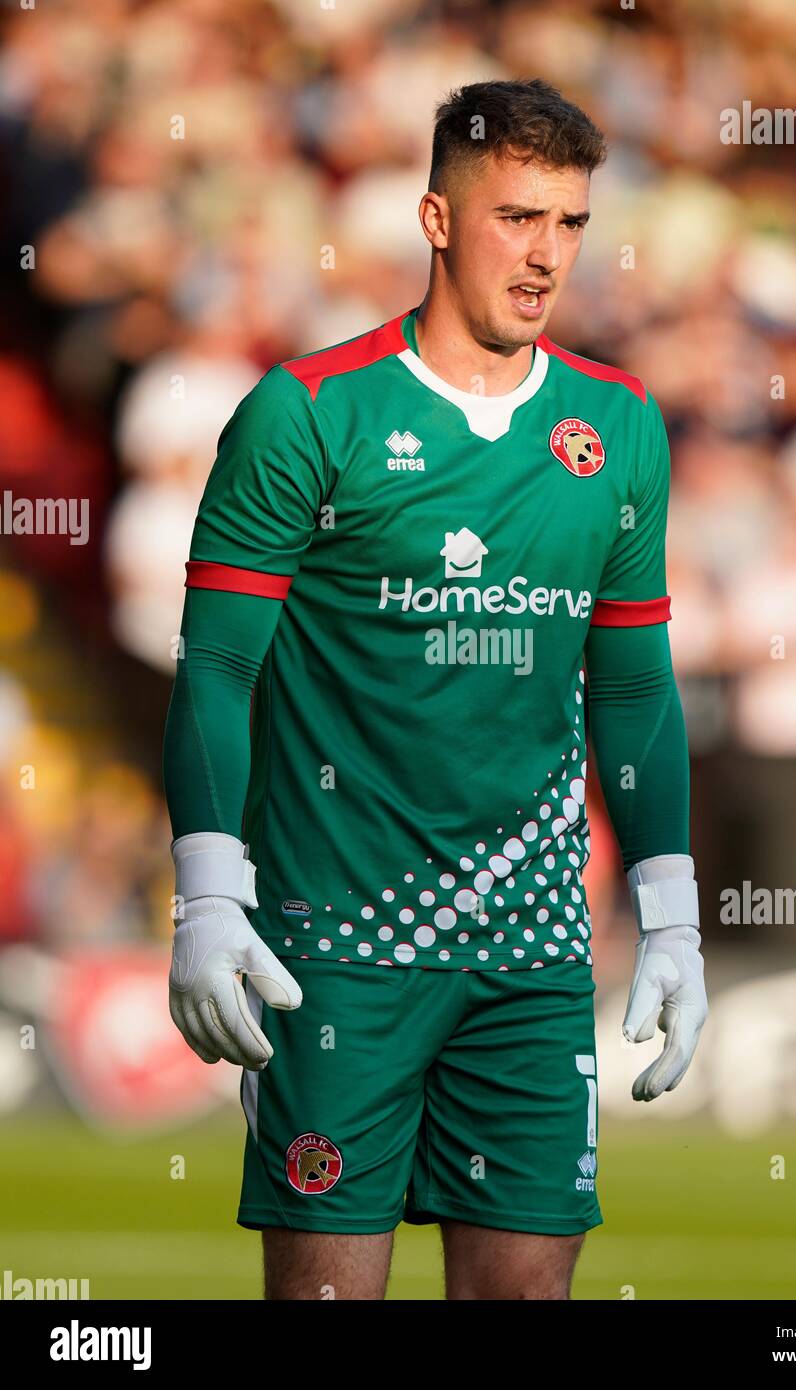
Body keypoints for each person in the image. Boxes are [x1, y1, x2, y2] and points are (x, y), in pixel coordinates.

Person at [163, 78, 707, 1301]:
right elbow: (216, 667)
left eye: (568, 223)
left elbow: (634, 688)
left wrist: (669, 908)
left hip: (532, 949)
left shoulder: (617, 428)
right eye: (517, 218)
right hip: (334, 947)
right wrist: (207, 892)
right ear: (436, 218)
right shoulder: (308, 413)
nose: (546, 254)